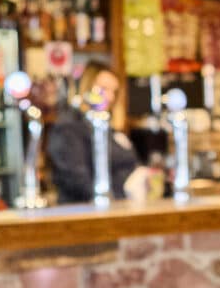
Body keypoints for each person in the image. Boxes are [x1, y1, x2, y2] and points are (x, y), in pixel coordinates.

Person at [47, 62, 146, 203]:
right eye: (104, 89)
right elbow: (78, 181)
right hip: (84, 213)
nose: (110, 97)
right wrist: (117, 195)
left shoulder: (106, 128)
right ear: (86, 87)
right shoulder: (69, 127)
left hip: (120, 208)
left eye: (114, 91)